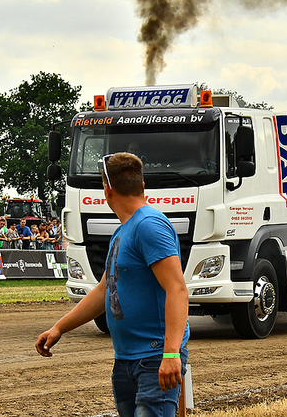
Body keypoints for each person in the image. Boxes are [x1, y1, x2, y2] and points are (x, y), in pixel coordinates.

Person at [35, 152, 190, 417]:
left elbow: (177, 289)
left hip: (154, 359)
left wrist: (171, 354)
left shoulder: (149, 226)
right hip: (126, 360)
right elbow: (104, 290)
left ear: (106, 189)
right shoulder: (123, 231)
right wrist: (59, 328)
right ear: (142, 185)